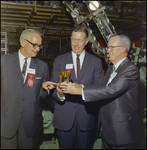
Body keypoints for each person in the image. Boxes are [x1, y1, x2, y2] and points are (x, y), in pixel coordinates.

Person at [59, 34, 145, 149]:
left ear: (123, 49)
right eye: (107, 48)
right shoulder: (110, 69)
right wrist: (80, 86)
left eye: (111, 48)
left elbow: (112, 90)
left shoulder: (130, 69)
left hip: (121, 133)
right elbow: (102, 89)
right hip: (107, 130)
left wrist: (80, 91)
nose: (107, 51)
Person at [42, 25, 105, 149]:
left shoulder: (95, 62)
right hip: (64, 119)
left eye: (80, 40)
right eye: (73, 39)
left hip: (86, 119)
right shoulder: (59, 60)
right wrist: (60, 94)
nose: (76, 44)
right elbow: (54, 87)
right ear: (70, 39)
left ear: (86, 41)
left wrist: (79, 89)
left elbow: (100, 88)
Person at [1, 29, 57, 149]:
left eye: (40, 46)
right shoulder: (3, 62)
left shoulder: (42, 66)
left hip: (31, 126)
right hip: (7, 124)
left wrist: (45, 90)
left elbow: (43, 97)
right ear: (23, 43)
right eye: (35, 45)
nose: (38, 49)